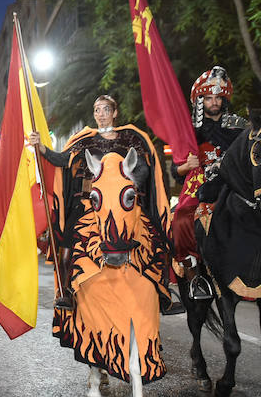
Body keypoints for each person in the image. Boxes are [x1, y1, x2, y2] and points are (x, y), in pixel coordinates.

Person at [28, 95, 176, 313]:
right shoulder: (84, 140)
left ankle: (162, 291)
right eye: (97, 110)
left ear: (114, 113)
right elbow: (62, 160)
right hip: (91, 203)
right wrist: (40, 146)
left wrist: (130, 181)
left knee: (153, 233)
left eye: (106, 110)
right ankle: (67, 291)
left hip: (123, 202)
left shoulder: (131, 138)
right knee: (67, 240)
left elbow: (144, 168)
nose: (101, 114)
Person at [169, 67, 248, 298]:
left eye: (218, 97)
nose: (214, 102)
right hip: (200, 182)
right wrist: (188, 166)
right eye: (209, 97)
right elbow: (176, 171)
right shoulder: (189, 131)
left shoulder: (239, 127)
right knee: (182, 218)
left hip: (233, 182)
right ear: (200, 100)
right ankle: (194, 276)